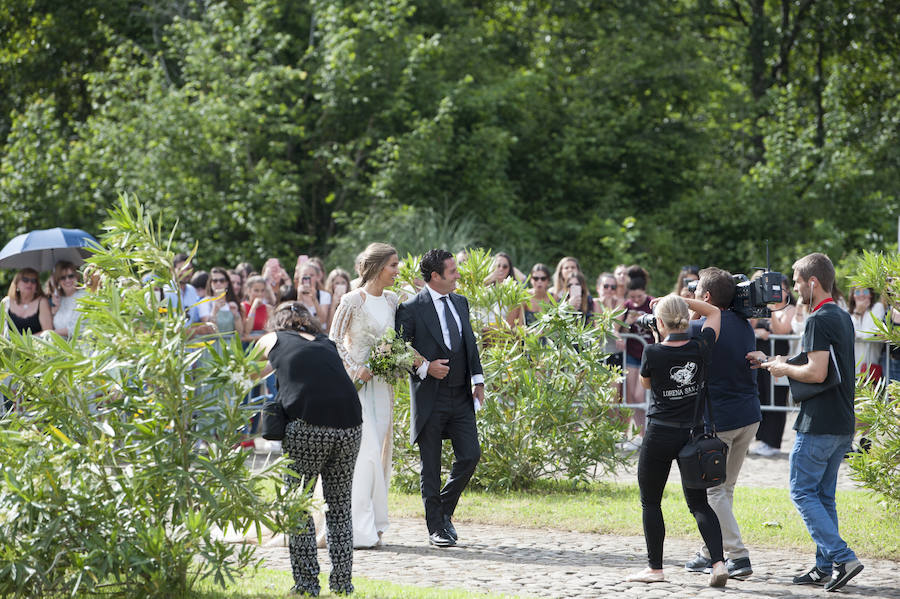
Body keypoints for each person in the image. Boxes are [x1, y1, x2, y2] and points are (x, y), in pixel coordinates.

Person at [747, 252, 864, 592]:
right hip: (841, 421)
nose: (794, 287)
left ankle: (842, 557)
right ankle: (822, 567)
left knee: (801, 491)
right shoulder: (840, 315)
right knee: (824, 497)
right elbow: (822, 366)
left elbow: (816, 372)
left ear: (813, 282)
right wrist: (774, 362)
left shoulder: (817, 319)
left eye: (797, 281)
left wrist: (784, 370)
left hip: (819, 423)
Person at [256, 302, 362, 596]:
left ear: (278, 323)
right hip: (350, 425)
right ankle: (342, 584)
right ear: (308, 322)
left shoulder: (272, 338)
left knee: (298, 505)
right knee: (339, 508)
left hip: (308, 428)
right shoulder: (325, 342)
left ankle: (306, 584)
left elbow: (249, 372)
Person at [625, 294, 728, 587]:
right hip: (692, 434)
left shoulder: (653, 353)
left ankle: (655, 569)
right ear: (684, 317)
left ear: (659, 322)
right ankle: (719, 563)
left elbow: (646, 384)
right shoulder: (701, 346)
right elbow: (713, 313)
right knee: (698, 502)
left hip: (660, 432)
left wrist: (663, 321)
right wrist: (682, 300)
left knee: (651, 502)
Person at [396, 249, 486, 547]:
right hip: (429, 398)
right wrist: (425, 367)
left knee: (470, 455)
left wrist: (478, 380)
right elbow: (399, 350)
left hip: (461, 394)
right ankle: (436, 528)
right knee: (430, 466)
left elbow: (469, 343)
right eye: (452, 271)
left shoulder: (461, 302)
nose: (458, 274)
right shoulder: (410, 309)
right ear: (435, 276)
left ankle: (442, 512)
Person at [682, 268, 759, 580]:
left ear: (707, 298)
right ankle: (709, 551)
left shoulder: (702, 329)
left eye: (698, 292)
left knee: (714, 492)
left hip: (722, 421)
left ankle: (738, 557)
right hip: (749, 416)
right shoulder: (745, 324)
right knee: (725, 489)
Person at [330, 243, 407, 548]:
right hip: (356, 387)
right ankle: (356, 528)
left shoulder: (392, 301)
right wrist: (355, 367)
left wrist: (395, 357)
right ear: (376, 268)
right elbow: (334, 339)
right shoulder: (352, 300)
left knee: (382, 454)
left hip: (382, 387)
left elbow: (400, 336)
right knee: (365, 453)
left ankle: (376, 525)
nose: (397, 271)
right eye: (393, 265)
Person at [750, 275, 796, 457]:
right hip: (763, 361)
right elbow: (750, 324)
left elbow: (781, 330)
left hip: (780, 359)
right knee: (762, 397)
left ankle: (773, 441)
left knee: (776, 398)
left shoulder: (789, 309)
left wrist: (772, 307)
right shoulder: (762, 308)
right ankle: (762, 440)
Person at [622, 265, 654, 444]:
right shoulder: (627, 306)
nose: (635, 300)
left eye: (638, 297)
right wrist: (628, 321)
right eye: (632, 297)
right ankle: (641, 434)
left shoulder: (652, 303)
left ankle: (646, 434)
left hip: (647, 354)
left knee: (640, 395)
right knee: (631, 397)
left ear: (645, 292)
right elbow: (619, 330)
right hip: (632, 354)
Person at [848, 287, 884, 383]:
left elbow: (870, 333)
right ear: (853, 295)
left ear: (871, 294)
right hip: (852, 366)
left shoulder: (877, 307)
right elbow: (848, 332)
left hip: (870, 365)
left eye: (865, 291)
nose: (861, 294)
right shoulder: (849, 312)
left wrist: (856, 334)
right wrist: (858, 312)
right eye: (857, 292)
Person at [2, 268, 52, 335]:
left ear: (37, 286)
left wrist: (25, 341)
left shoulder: (42, 302)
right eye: (25, 280)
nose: (29, 283)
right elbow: (1, 331)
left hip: (36, 344)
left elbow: (48, 331)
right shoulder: (6, 302)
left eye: (33, 281)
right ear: (16, 283)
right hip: (10, 344)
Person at [46, 260, 86, 339]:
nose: (67, 280)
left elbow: (76, 329)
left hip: (81, 347)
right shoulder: (59, 300)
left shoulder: (84, 297)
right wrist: (54, 311)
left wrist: (50, 333)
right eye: (62, 278)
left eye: (71, 276)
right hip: (60, 347)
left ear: (77, 277)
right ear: (58, 281)